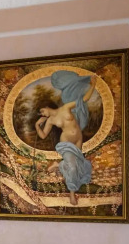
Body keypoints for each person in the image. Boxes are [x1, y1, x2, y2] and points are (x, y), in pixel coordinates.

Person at [35, 71, 97, 205]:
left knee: (79, 165)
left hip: (78, 139)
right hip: (66, 142)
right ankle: (72, 193)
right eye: (41, 114)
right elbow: (43, 135)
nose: (42, 114)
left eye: (42, 111)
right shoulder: (50, 121)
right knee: (73, 168)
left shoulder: (65, 108)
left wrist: (93, 85)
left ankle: (59, 165)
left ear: (46, 106)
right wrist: (37, 125)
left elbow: (83, 100)